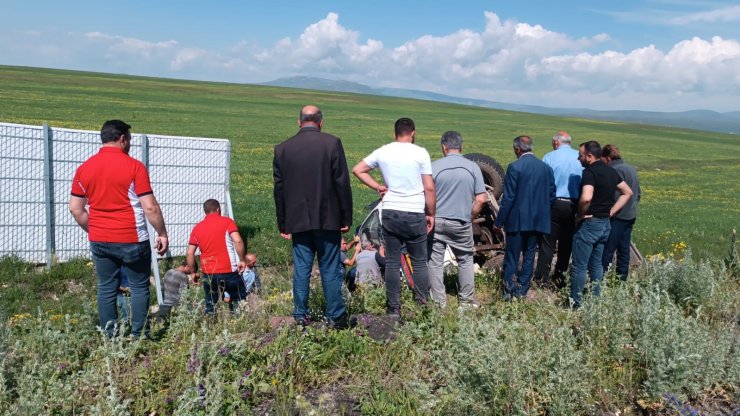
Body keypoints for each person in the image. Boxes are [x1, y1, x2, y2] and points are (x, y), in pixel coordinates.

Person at [69, 119, 168, 338]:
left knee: (106, 288)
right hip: (132, 238)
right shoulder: (134, 167)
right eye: (129, 139)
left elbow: (76, 209)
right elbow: (150, 207)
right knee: (139, 286)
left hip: (100, 239)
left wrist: (94, 229)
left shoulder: (84, 168)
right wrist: (161, 233)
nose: (130, 144)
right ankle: (139, 335)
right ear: (122, 139)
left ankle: (110, 337)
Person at [273, 105, 353, 328]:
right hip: (328, 220)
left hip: (297, 221)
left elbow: (278, 190)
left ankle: (300, 316)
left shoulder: (283, 149)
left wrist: (283, 222)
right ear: (321, 122)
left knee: (301, 269)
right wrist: (346, 217)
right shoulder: (332, 144)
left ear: (299, 122)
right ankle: (336, 317)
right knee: (329, 268)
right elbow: (342, 183)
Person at [353, 117, 435, 316]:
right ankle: (422, 303)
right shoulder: (420, 153)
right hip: (415, 212)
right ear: (413, 133)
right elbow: (429, 187)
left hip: (390, 212)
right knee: (419, 261)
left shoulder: (383, 151)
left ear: (395, 133)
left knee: (391, 261)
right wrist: (431, 213)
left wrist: (378, 186)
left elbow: (358, 169)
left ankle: (393, 308)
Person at [427, 131, 487, 309]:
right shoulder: (473, 167)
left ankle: (439, 303)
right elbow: (481, 199)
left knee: (435, 261)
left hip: (437, 221)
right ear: (461, 147)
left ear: (443, 147)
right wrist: (471, 216)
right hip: (461, 221)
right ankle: (466, 301)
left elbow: (427, 194)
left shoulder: (434, 167)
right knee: (465, 260)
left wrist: (430, 214)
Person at [570, 141, 633, 308]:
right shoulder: (611, 171)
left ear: (590, 157)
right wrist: (612, 211)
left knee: (579, 267)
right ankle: (595, 301)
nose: (578, 158)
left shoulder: (590, 173)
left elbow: (586, 197)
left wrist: (580, 214)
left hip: (590, 223)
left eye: (581, 155)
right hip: (605, 224)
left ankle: (576, 304)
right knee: (596, 264)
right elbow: (628, 192)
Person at [493, 136, 555, 300]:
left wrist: (499, 221)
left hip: (517, 222)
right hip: (537, 222)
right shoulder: (546, 168)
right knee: (529, 256)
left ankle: (508, 291)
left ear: (517, 149)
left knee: (512, 256)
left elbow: (508, 198)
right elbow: (551, 195)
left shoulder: (515, 167)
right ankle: (522, 290)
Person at [535, 130, 583, 288]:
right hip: (574, 205)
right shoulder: (580, 157)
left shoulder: (549, 157)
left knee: (547, 243)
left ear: (556, 142)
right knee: (566, 243)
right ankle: (560, 277)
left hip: (554, 203)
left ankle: (542, 277)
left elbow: (542, 182)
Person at [186, 199, 248, 314]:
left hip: (209, 272)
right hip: (228, 270)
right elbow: (238, 241)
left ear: (205, 212)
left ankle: (211, 323)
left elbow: (190, 253)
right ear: (218, 209)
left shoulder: (197, 228)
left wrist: (193, 272)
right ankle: (238, 322)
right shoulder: (228, 222)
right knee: (239, 299)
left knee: (210, 302)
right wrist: (242, 260)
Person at [601, 145, 641, 280]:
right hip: (630, 215)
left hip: (616, 216)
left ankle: (600, 279)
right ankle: (621, 279)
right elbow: (638, 193)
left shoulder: (613, 170)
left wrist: (609, 211)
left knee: (607, 249)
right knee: (624, 250)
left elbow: (614, 196)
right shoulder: (631, 169)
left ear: (607, 158)